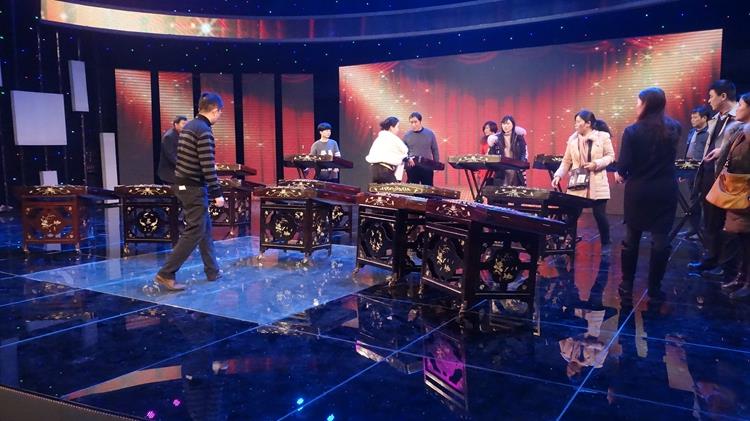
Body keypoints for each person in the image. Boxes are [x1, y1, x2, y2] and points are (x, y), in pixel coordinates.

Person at [154, 93, 226, 291]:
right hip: (192, 187)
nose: (220, 116)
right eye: (220, 112)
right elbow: (207, 166)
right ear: (215, 110)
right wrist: (217, 193)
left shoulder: (190, 127)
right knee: (195, 231)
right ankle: (166, 273)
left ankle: (212, 270)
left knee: (204, 228)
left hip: (183, 184)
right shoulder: (204, 131)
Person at [615, 87, 682, 300]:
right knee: (661, 241)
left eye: (638, 102)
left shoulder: (632, 131)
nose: (636, 106)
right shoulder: (675, 127)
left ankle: (627, 284)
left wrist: (620, 175)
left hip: (639, 191)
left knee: (632, 238)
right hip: (665, 190)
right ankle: (654, 287)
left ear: (646, 104)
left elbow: (624, 166)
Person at [689, 80, 740, 279]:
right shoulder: (714, 120)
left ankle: (727, 266)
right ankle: (711, 259)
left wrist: (724, 151)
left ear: (723, 96)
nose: (709, 101)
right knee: (710, 219)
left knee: (727, 222)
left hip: (729, 177)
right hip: (709, 173)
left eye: (711, 96)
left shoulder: (741, 116)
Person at [552, 110, 615, 249]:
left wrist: (596, 164)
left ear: (588, 123)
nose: (575, 124)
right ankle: (564, 242)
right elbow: (566, 161)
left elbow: (610, 156)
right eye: (575, 122)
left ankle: (606, 244)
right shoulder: (573, 141)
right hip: (578, 182)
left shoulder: (602, 137)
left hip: (597, 181)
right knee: (572, 215)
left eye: (578, 121)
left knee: (599, 215)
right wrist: (558, 175)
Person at [717, 93, 750, 299]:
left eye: (741, 105)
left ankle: (746, 281)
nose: (737, 109)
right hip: (738, 192)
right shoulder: (740, 132)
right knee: (742, 238)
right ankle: (741, 278)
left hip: (746, 194)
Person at [680, 106, 712, 240]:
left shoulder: (710, 132)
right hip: (690, 170)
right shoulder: (691, 132)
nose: (692, 120)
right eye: (691, 117)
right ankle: (694, 229)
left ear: (704, 118)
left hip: (704, 172)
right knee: (693, 200)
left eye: (695, 117)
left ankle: (704, 231)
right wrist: (683, 170)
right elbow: (688, 151)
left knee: (704, 201)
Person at [365, 116, 409, 183]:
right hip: (384, 170)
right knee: (394, 189)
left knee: (377, 189)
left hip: (374, 170)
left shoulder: (379, 139)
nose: (398, 129)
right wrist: (407, 158)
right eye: (397, 127)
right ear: (391, 127)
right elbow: (404, 150)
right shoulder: (392, 138)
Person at [488, 115, 528, 186]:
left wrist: (522, 164)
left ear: (513, 124)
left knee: (516, 190)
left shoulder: (519, 137)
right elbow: (491, 155)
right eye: (503, 124)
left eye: (508, 123)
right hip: (502, 171)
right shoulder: (496, 138)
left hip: (516, 170)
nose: (505, 126)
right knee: (502, 190)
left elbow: (523, 152)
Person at [403, 112, 439, 185]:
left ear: (420, 121)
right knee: (413, 189)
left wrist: (436, 164)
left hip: (427, 166)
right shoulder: (407, 135)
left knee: (428, 188)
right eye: (411, 122)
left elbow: (435, 149)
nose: (413, 124)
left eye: (415, 122)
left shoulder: (429, 133)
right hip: (412, 166)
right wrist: (404, 166)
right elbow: (403, 152)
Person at [157, 115, 188, 184]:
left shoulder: (182, 134)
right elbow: (171, 155)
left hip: (178, 172)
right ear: (176, 124)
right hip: (170, 173)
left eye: (186, 124)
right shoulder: (169, 136)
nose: (185, 126)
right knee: (177, 190)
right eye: (183, 124)